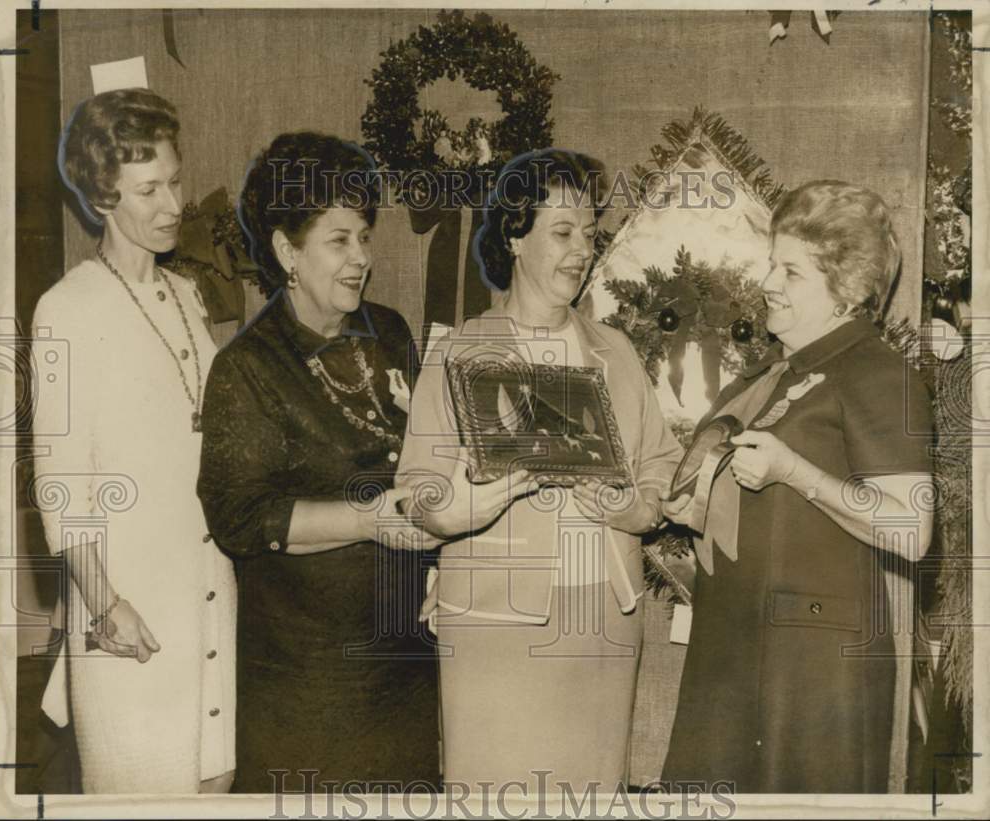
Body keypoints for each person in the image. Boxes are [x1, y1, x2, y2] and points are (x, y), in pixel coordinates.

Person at [395, 149, 683, 792]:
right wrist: (454, 509)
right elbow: (416, 488)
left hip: (604, 624)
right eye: (562, 231)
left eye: (589, 233)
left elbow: (662, 461)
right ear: (514, 236)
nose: (582, 250)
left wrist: (637, 508)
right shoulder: (461, 351)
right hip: (496, 629)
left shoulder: (617, 349)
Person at [660, 180, 935, 793]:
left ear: (847, 290)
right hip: (729, 652)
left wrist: (796, 473)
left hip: (810, 676)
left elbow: (911, 530)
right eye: (770, 264)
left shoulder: (878, 373)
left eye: (791, 271)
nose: (767, 284)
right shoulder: (772, 374)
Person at [196, 132, 439, 793]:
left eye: (364, 234)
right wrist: (367, 518)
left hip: (405, 671)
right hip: (308, 691)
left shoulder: (389, 332)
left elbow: (425, 459)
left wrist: (444, 555)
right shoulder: (247, 368)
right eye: (340, 239)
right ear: (286, 251)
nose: (361, 256)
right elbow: (240, 518)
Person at [34, 88, 236, 793]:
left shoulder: (187, 295)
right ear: (101, 196)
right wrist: (102, 601)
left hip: (210, 595)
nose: (173, 203)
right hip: (128, 619)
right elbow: (61, 483)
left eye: (175, 180)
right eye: (148, 188)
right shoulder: (65, 308)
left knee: (214, 790)